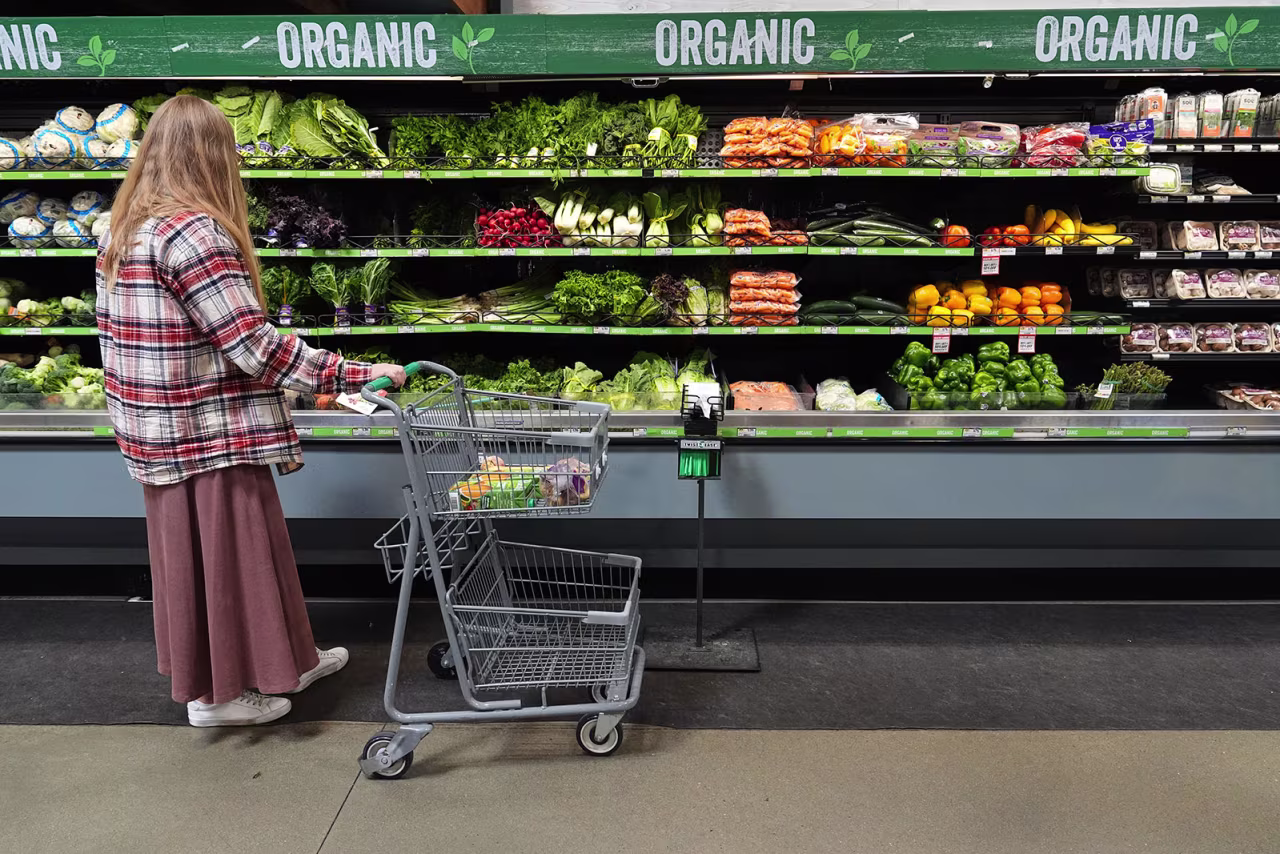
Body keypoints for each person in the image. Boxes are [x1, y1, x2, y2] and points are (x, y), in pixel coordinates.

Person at [95, 95, 406, 727]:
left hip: (159, 431)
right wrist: (352, 372)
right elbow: (251, 345)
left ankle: (286, 660)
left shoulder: (124, 228)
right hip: (206, 430)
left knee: (225, 557)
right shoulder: (194, 233)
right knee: (230, 559)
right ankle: (220, 697)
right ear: (213, 157)